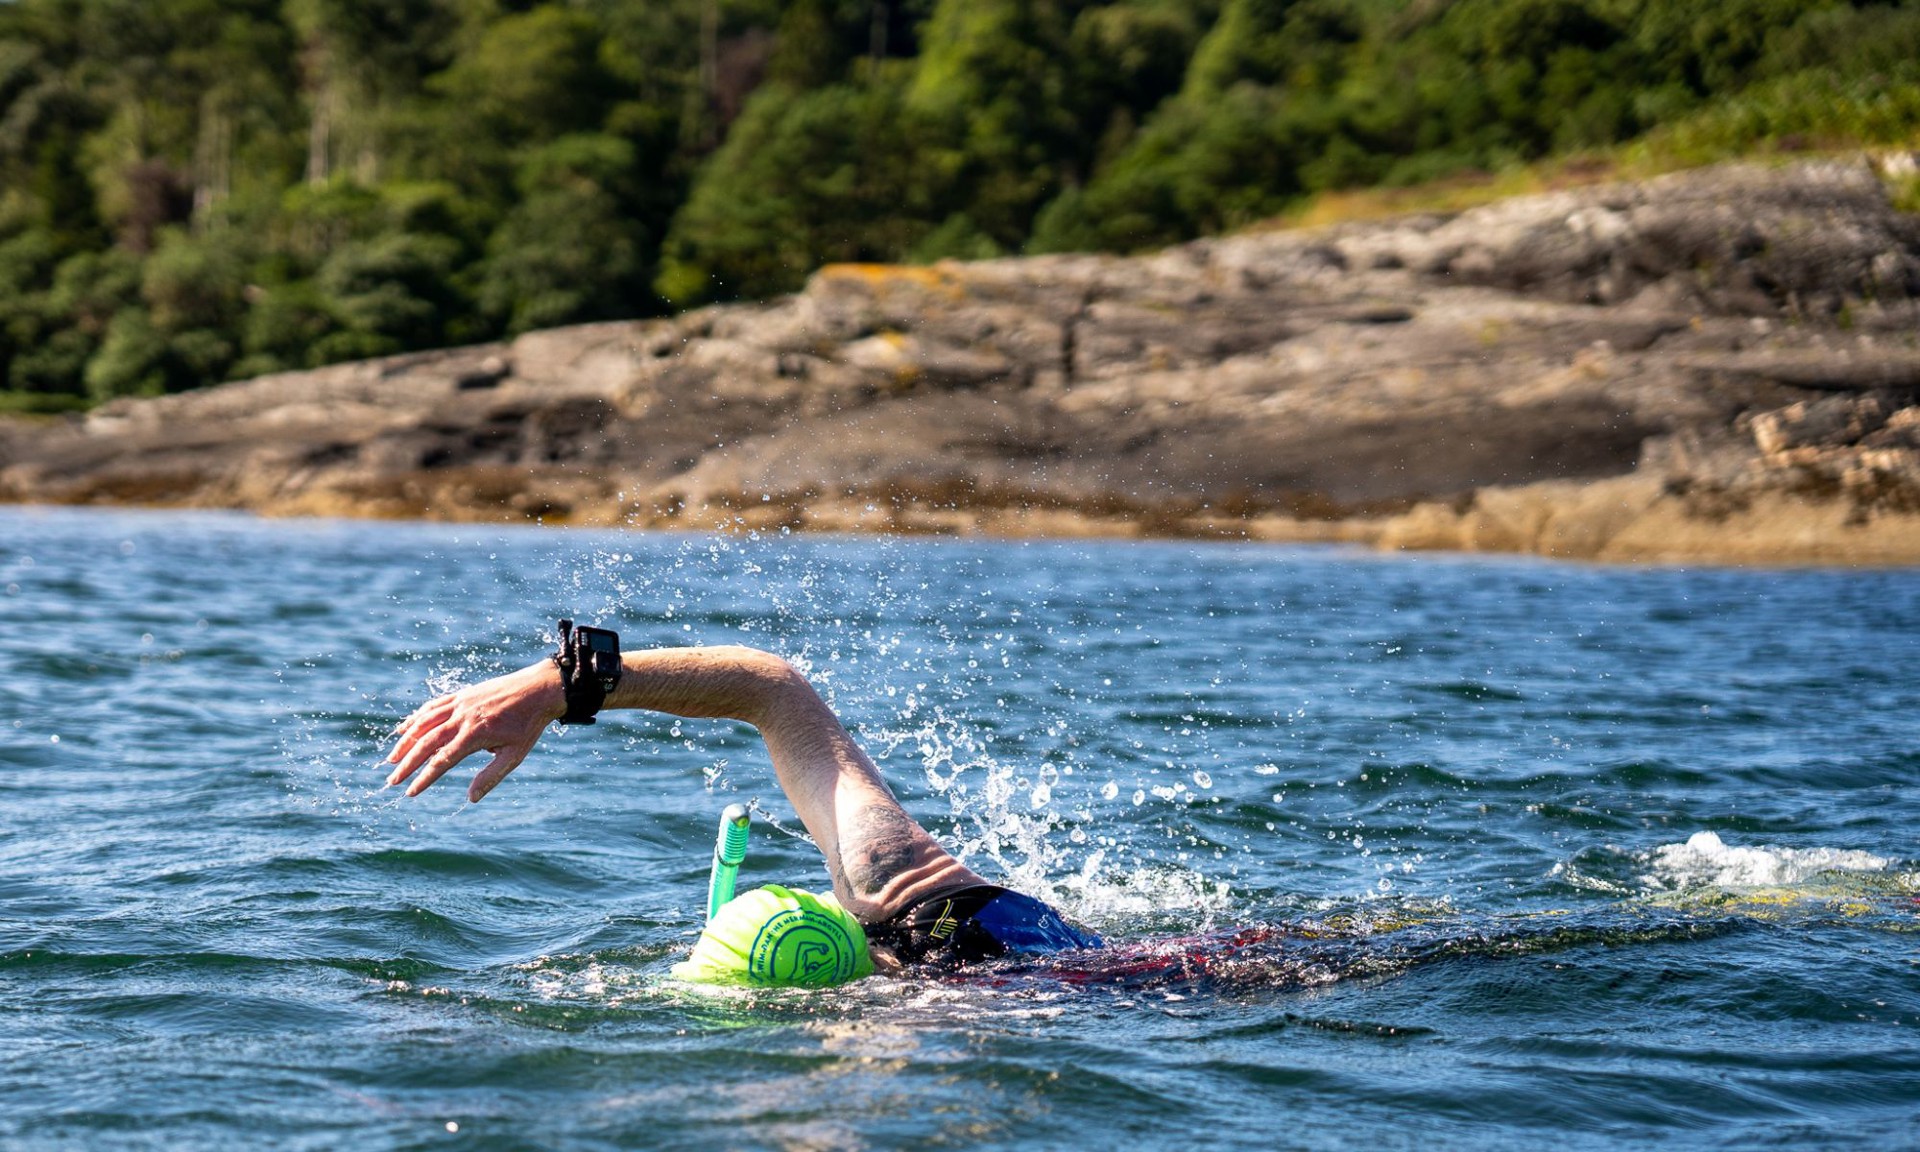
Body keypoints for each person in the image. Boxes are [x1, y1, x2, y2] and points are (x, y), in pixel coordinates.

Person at [385, 641, 1100, 973]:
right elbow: (770, 685)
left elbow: (770, 686)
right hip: (991, 932)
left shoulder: (898, 903)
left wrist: (558, 686)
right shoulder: (895, 883)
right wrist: (558, 684)